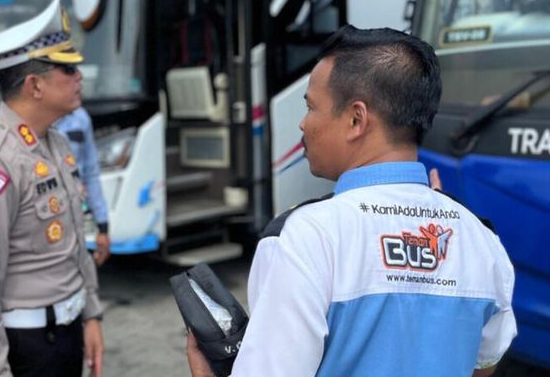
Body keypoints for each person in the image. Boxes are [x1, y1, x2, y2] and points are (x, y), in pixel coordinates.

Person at [187, 26, 516, 377]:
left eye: (311, 106)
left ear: (356, 119)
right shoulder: (482, 241)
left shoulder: (304, 237)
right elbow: (483, 365)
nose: (303, 123)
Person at [0, 0, 105, 377]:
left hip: (66, 331)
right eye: (67, 69)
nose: (79, 76)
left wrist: (91, 313)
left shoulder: (56, 143)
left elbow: (73, 242)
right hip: (28, 348)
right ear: (35, 85)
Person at [54, 106, 110, 265]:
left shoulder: (80, 117)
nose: (78, 82)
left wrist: (103, 227)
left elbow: (91, 173)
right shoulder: (23, 120)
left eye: (79, 79)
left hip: (74, 219)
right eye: (70, 78)